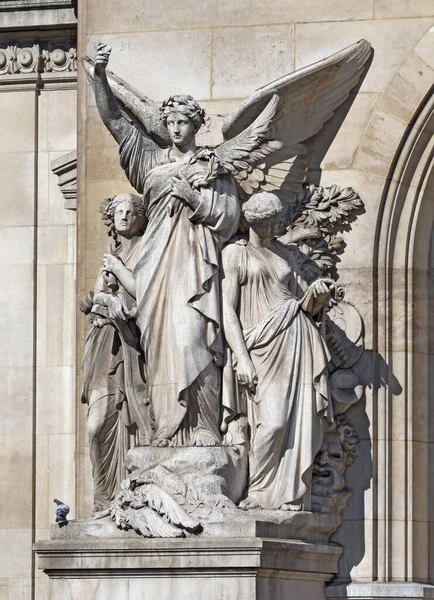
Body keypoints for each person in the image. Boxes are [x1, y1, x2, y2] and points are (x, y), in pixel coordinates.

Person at [94, 44, 240, 447]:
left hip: (195, 263)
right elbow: (112, 120)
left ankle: (207, 427)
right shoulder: (150, 163)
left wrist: (193, 197)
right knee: (159, 348)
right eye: (170, 121)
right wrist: (100, 77)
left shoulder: (210, 166)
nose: (176, 128)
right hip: (154, 265)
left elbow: (229, 217)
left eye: (183, 122)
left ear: (195, 125)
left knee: (194, 338)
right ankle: (166, 428)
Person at [221, 192, 335, 510]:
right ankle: (258, 491)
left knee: (298, 421)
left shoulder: (285, 254)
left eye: (275, 222)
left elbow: (301, 302)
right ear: (252, 222)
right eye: (267, 223)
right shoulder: (234, 254)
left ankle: (290, 493)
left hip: (297, 338)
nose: (274, 228)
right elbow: (228, 311)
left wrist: (316, 293)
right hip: (260, 345)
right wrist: (241, 357)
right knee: (272, 422)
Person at [81, 193, 147, 511]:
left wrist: (117, 275)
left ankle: (122, 492)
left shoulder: (145, 252)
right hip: (103, 348)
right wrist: (93, 303)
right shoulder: (111, 254)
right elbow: (96, 301)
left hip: (131, 350)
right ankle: (103, 493)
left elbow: (144, 296)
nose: (123, 215)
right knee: (94, 428)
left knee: (116, 422)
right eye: (118, 211)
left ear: (140, 217)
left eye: (130, 211)